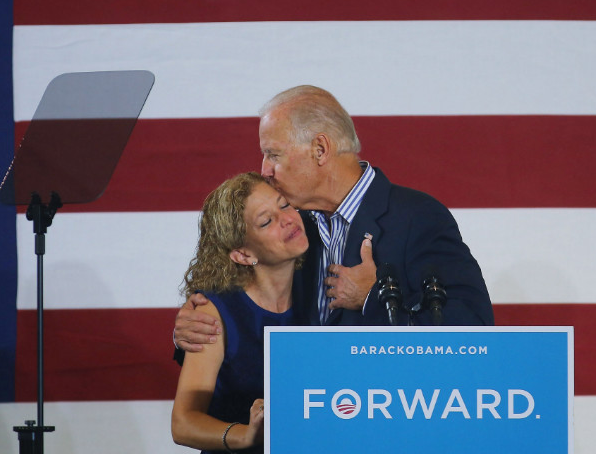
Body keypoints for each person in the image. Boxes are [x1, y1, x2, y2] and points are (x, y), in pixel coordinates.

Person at [174, 85, 492, 353]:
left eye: (273, 154)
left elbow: (473, 329)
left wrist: (372, 297)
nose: (265, 170)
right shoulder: (293, 226)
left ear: (321, 149)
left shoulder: (416, 217)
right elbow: (252, 306)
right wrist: (197, 325)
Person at [171, 172, 308, 453]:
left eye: (284, 205)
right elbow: (183, 424)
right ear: (243, 255)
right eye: (266, 221)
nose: (287, 220)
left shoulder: (318, 289)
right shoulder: (213, 312)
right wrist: (246, 436)